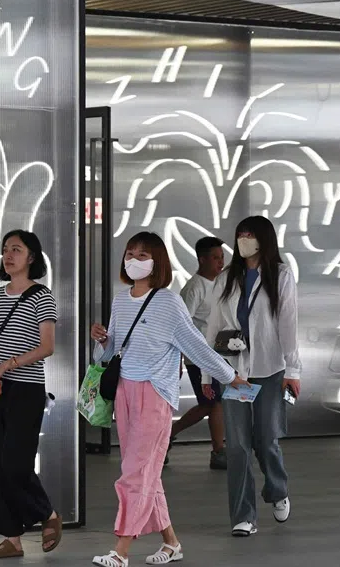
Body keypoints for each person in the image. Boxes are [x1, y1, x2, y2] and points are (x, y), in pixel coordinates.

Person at [90, 231, 248, 567]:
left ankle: (121, 550)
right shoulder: (120, 300)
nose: (134, 260)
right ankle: (171, 543)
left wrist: (231, 378)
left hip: (155, 394)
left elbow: (197, 347)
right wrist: (101, 340)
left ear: (157, 261)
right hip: (124, 393)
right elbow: (106, 355)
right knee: (145, 471)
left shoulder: (169, 302)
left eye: (142, 254)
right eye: (130, 254)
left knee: (134, 471)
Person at [203, 216, 300, 537]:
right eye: (240, 235)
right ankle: (243, 515)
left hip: (270, 370)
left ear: (263, 239)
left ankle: (277, 489)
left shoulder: (281, 275)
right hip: (235, 374)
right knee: (238, 445)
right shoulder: (227, 277)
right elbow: (214, 326)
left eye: (250, 235)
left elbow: (288, 324)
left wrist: (293, 369)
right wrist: (208, 372)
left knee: (266, 439)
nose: (244, 240)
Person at [0, 230, 62, 560]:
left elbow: (47, 347)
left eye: (16, 249)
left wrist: (6, 365)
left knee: (15, 462)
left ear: (31, 257)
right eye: (5, 250)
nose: (8, 255)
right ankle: (11, 538)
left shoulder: (42, 296)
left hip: (26, 389)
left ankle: (47, 514)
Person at [167, 236, 227, 470]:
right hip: (199, 357)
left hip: (218, 354)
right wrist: (180, 358)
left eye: (222, 258)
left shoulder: (221, 284)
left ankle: (173, 434)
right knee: (213, 403)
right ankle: (217, 451)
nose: (220, 263)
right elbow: (180, 325)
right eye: (215, 258)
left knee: (213, 403)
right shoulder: (193, 288)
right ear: (202, 259)